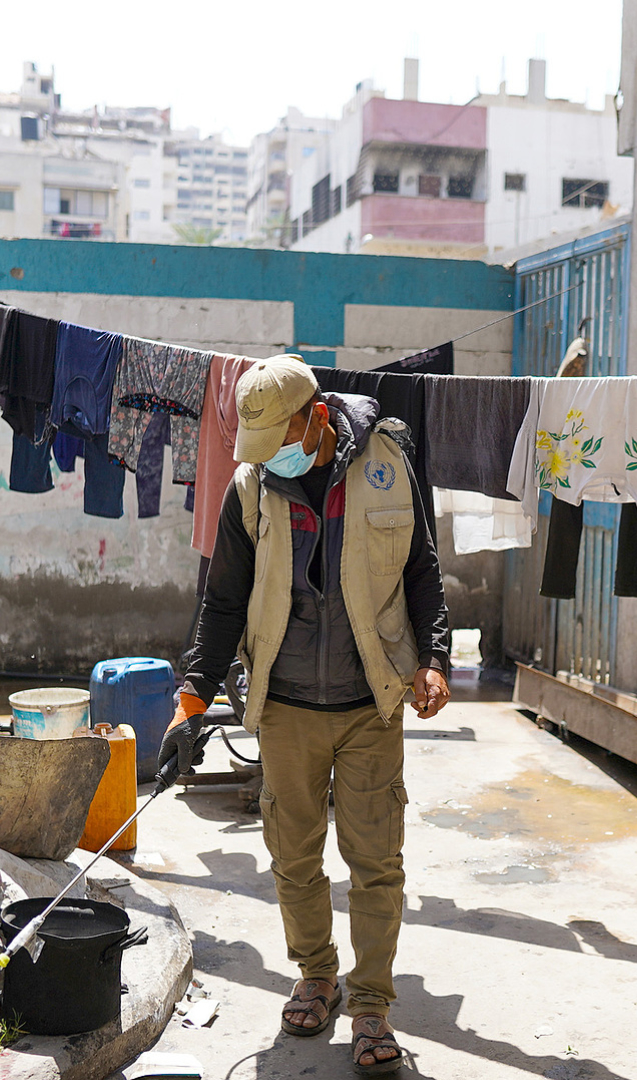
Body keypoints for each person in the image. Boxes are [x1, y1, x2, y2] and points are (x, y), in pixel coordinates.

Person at [171, 354, 450, 1074]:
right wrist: (190, 699)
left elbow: (422, 568)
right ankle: (316, 973)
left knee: (375, 862)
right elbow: (223, 603)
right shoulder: (250, 486)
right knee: (294, 856)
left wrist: (434, 661)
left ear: (317, 417)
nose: (272, 460)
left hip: (370, 703)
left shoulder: (388, 462)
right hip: (287, 704)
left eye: (281, 442)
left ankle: (371, 1006)